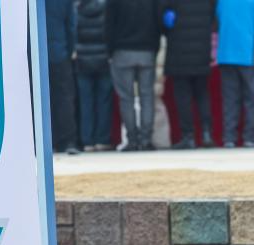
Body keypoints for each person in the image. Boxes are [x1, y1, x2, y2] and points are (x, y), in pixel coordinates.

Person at [106, 0, 160, 151]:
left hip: (122, 52)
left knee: (126, 98)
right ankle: (146, 139)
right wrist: (154, 49)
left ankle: (132, 140)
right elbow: (157, 22)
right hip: (147, 51)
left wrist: (110, 51)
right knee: (147, 96)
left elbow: (109, 25)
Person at [162, 0, 215, 149]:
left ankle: (188, 136)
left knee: (183, 97)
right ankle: (206, 133)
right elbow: (212, 19)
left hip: (179, 53)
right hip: (201, 51)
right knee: (202, 94)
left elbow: (163, 22)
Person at [216, 0, 254, 148]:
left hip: (226, 53)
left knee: (230, 100)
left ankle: (229, 138)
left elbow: (217, 18)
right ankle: (250, 138)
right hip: (249, 52)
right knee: (252, 99)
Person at [75, 0, 113, 152]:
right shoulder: (106, 9)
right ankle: (102, 140)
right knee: (103, 102)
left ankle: (87, 141)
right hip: (103, 60)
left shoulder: (77, 10)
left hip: (83, 61)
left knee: (86, 103)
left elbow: (73, 33)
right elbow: (110, 32)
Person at [46, 0, 78, 153]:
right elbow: (71, 26)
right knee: (64, 98)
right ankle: (67, 141)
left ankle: (43, 140)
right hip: (59, 53)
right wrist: (69, 50)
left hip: (34, 56)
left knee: (38, 100)